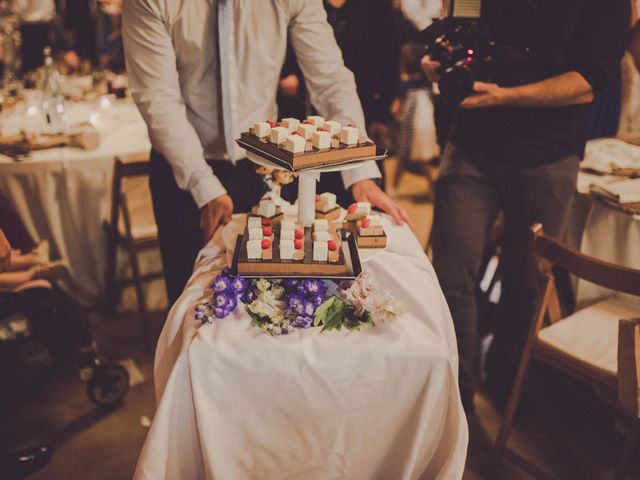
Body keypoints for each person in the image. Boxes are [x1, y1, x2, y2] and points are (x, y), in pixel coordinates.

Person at [122, 0, 411, 305]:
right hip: (183, 171)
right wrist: (203, 186)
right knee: (192, 303)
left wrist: (360, 172)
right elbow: (158, 97)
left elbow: (330, 81)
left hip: (261, 169)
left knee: (268, 303)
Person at [422, 0, 631, 414]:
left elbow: (592, 79)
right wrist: (440, 60)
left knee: (525, 285)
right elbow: (460, 26)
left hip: (547, 154)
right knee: (450, 277)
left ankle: (506, 390)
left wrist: (505, 97)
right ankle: (456, 402)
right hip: (470, 145)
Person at [11, 0, 56, 73]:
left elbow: (21, 6)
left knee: (35, 69)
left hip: (32, 26)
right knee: (39, 68)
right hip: (38, 25)